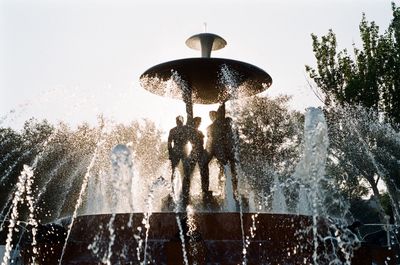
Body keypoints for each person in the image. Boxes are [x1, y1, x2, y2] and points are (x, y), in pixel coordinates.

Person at [167, 115, 190, 185]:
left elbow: (169, 143)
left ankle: (183, 189)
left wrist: (170, 152)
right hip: (181, 150)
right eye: (178, 121)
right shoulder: (185, 129)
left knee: (180, 170)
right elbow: (169, 143)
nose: (179, 122)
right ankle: (180, 189)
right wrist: (170, 153)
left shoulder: (173, 130)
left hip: (179, 150)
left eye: (179, 121)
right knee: (180, 170)